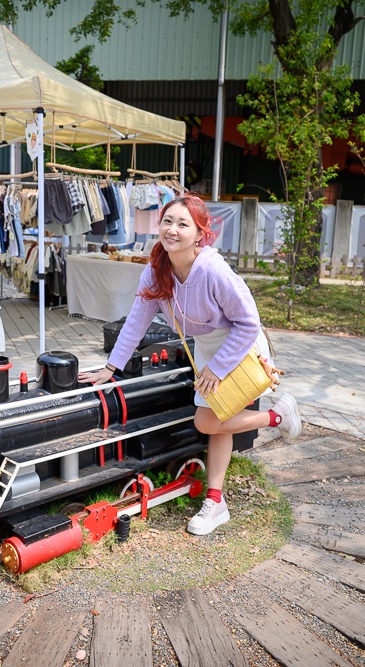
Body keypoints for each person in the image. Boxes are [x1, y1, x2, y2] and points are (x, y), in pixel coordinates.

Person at [78, 194, 302, 536]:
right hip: (208, 349)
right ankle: (217, 499)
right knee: (219, 420)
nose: (172, 229)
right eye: (168, 221)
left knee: (209, 420)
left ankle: (278, 417)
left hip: (237, 347)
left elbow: (248, 322)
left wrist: (217, 369)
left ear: (200, 234)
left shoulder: (213, 270)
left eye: (183, 224)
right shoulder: (156, 270)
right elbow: (137, 321)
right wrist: (112, 367)